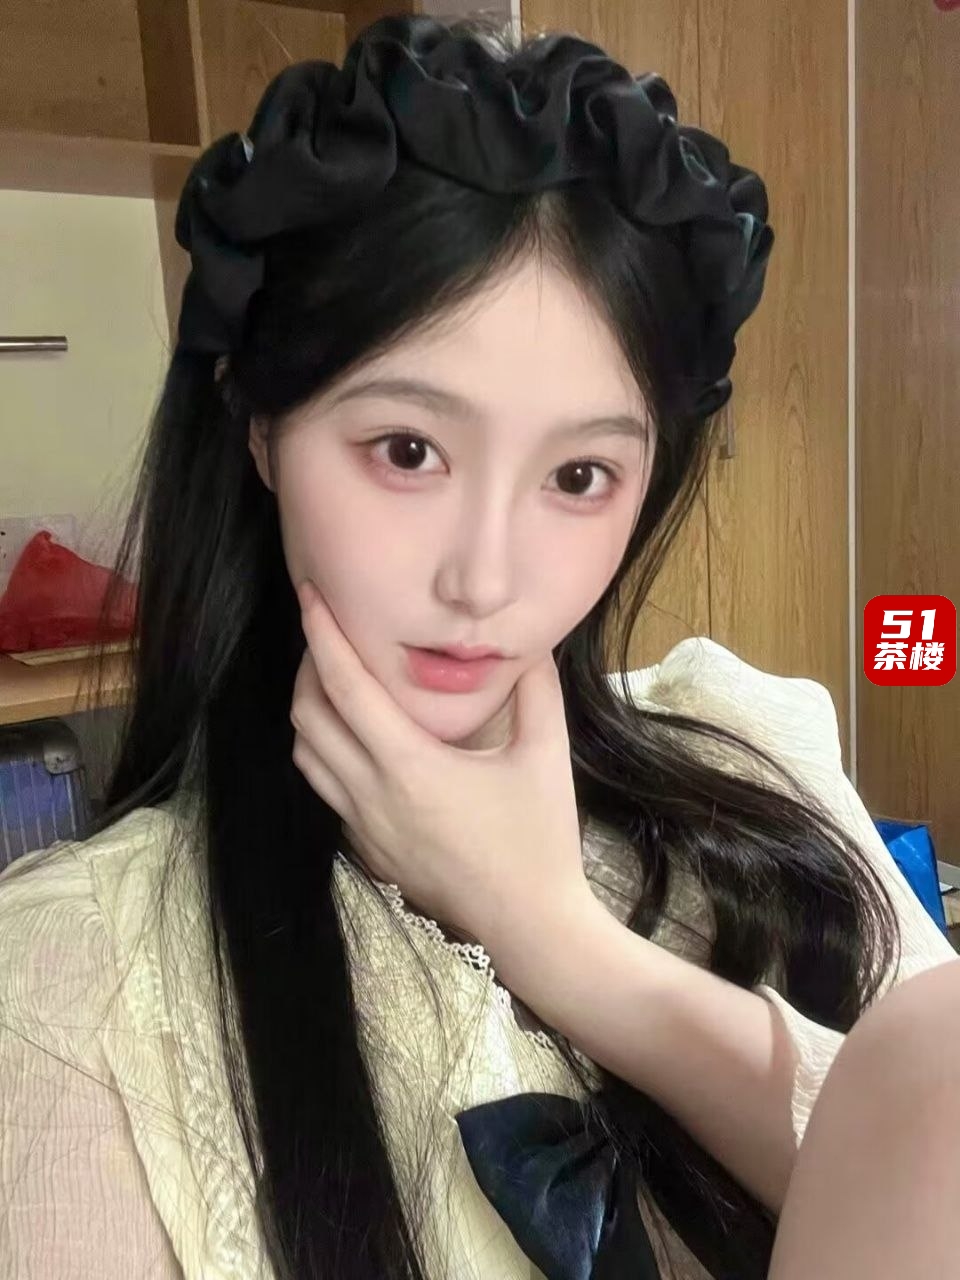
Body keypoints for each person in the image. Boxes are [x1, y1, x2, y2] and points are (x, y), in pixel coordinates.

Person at [0, 13, 956, 1280]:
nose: (487, 580)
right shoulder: (69, 982)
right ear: (262, 428)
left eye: (579, 474)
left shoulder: (751, 743)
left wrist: (550, 933)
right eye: (408, 450)